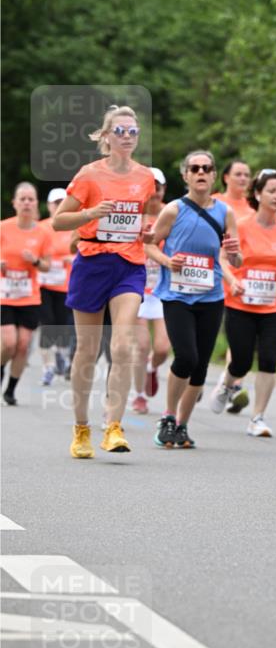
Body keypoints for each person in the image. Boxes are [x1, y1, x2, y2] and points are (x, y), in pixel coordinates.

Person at [53, 105, 155, 458]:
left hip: (129, 265)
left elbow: (149, 216)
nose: (127, 137)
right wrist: (89, 214)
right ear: (106, 136)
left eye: (133, 131)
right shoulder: (89, 175)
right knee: (87, 351)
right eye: (121, 131)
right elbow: (58, 221)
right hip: (93, 262)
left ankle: (113, 426)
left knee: (124, 346)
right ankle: (81, 428)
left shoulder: (146, 178)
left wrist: (149, 229)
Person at [147, 150, 240, 449]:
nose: (201, 172)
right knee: (186, 356)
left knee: (200, 366)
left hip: (211, 296)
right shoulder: (173, 209)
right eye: (194, 168)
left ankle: (183, 426)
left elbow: (233, 258)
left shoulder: (225, 213)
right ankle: (168, 417)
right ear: (185, 175)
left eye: (206, 168)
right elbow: (148, 246)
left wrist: (236, 254)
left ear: (214, 175)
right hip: (177, 295)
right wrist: (166, 260)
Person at [212, 168, 276, 437]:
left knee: (269, 360)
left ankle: (258, 417)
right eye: (272, 191)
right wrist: (231, 281)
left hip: (275, 305)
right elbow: (222, 259)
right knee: (240, 361)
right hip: (241, 303)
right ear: (257, 194)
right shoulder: (240, 226)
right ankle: (227, 384)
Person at [1, 182, 52, 405]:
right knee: (9, 343)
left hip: (29, 296)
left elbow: (48, 266)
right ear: (14, 203)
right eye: (22, 199)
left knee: (23, 345)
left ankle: (11, 389)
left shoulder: (42, 232)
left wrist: (36, 261)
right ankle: (2, 368)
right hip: (5, 294)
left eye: (31, 199)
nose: (27, 203)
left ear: (36, 203)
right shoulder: (3, 227)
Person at [211, 159, 255, 412]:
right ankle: (195, 375)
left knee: (236, 334)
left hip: (237, 274)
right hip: (208, 270)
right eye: (238, 174)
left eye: (246, 174)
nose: (243, 178)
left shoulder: (251, 208)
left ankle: (234, 384)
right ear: (226, 177)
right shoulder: (214, 201)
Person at [130, 167, 170, 415]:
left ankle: (151, 369)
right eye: (150, 187)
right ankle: (140, 395)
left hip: (164, 290)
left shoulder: (172, 213)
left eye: (158, 187)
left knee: (163, 348)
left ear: (164, 189)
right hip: (137, 288)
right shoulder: (133, 214)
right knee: (142, 345)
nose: (154, 193)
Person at [37, 188, 75, 386]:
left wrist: (73, 259)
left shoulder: (73, 228)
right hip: (43, 284)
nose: (59, 206)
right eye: (56, 203)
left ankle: (60, 354)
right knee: (47, 324)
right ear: (49, 206)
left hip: (66, 284)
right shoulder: (41, 227)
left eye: (63, 202)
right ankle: (48, 367)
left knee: (62, 326)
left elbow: (84, 251)